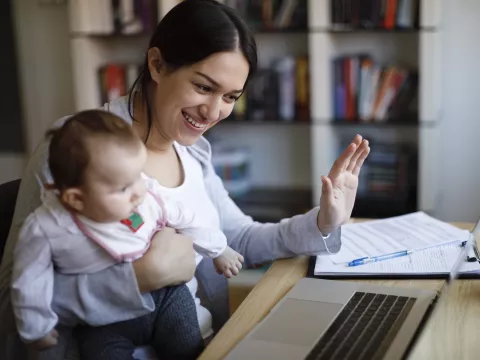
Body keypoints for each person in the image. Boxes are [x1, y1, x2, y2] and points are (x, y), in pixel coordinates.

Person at [0, 0, 370, 359]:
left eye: (230, 96)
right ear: (157, 64)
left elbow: (237, 238)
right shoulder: (75, 146)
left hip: (201, 341)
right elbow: (12, 299)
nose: (213, 111)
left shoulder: (193, 151)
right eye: (204, 87)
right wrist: (141, 277)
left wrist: (323, 222)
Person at [11, 110, 244, 360]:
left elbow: (187, 218)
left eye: (138, 176)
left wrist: (219, 250)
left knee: (186, 341)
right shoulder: (47, 227)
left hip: (164, 296)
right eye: (123, 188)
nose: (138, 192)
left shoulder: (144, 193)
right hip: (102, 318)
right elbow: (29, 279)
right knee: (101, 353)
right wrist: (37, 327)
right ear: (76, 199)